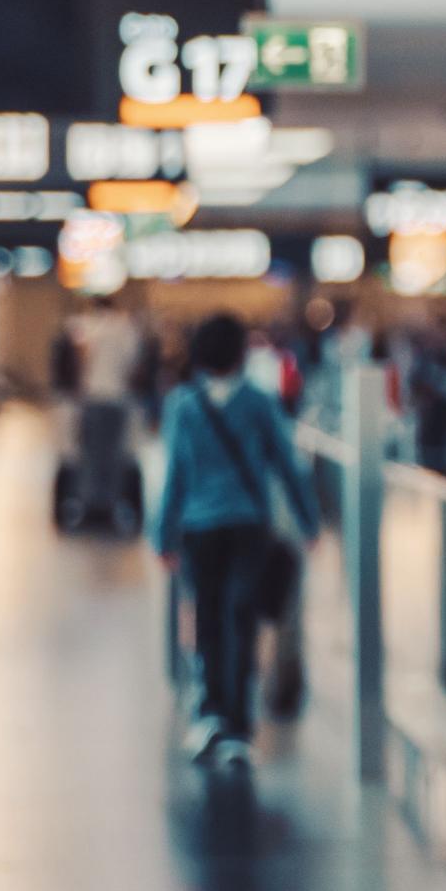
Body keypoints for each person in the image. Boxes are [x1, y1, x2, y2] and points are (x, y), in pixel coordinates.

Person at [152, 314, 322, 768]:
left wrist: (162, 534)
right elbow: (286, 465)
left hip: (198, 529)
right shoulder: (259, 403)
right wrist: (309, 523)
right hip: (249, 526)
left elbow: (176, 475)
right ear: (241, 354)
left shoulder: (183, 406)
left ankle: (209, 712)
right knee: (240, 618)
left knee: (206, 617)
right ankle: (237, 724)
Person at [61, 300, 143, 528]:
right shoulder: (125, 330)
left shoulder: (90, 327)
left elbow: (80, 360)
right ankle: (110, 504)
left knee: (91, 455)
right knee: (114, 455)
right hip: (117, 398)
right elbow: (133, 365)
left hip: (94, 397)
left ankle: (90, 505)